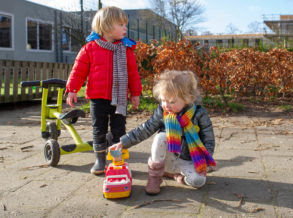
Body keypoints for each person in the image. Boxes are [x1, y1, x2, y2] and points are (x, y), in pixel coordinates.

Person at [110, 70, 216, 195]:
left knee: (198, 181)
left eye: (172, 102)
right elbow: (145, 128)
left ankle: (175, 174)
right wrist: (123, 142)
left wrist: (204, 162)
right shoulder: (162, 111)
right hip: (166, 159)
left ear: (188, 99)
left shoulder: (199, 114)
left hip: (188, 159)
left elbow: (208, 140)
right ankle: (155, 177)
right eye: (163, 100)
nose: (167, 105)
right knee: (161, 137)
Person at [65, 6, 142, 175]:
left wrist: (135, 93)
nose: (125, 28)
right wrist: (72, 89)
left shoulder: (126, 50)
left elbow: (133, 73)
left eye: (125, 24)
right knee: (98, 129)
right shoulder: (90, 48)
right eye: (121, 24)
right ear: (107, 26)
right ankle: (100, 160)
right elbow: (78, 70)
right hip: (98, 98)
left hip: (120, 100)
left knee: (118, 130)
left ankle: (116, 160)